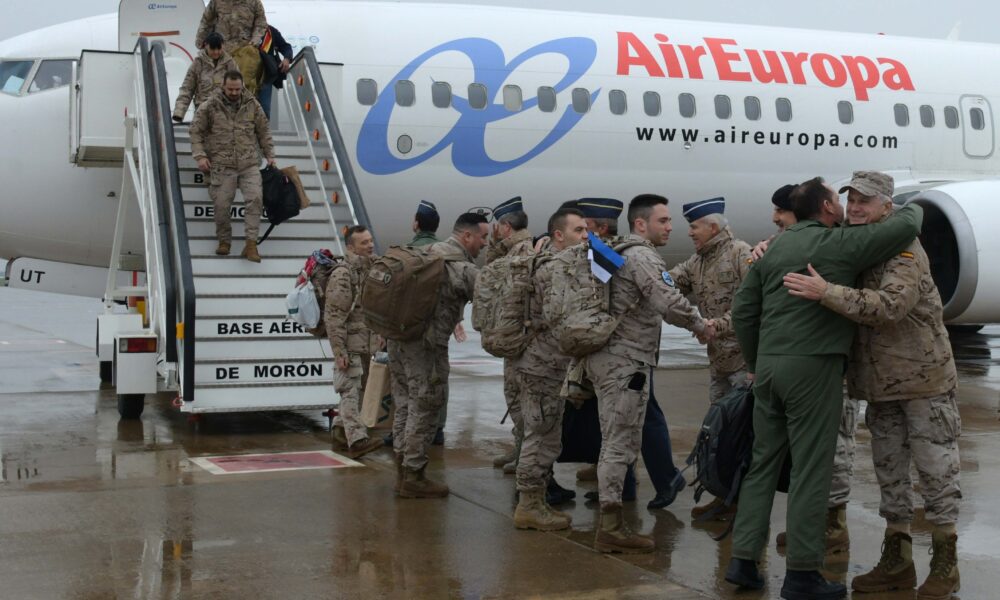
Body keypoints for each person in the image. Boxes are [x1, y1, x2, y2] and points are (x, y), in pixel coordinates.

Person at [725, 177, 923, 599]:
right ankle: (802, 574)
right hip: (812, 368)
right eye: (839, 198)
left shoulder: (775, 247)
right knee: (811, 471)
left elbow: (743, 310)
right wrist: (909, 201)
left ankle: (743, 560)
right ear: (827, 208)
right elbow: (907, 225)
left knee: (762, 464)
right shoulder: (834, 244)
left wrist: (758, 362)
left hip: (771, 369)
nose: (845, 204)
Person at [783, 172, 961, 598]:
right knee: (890, 475)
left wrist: (826, 292)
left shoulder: (903, 251)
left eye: (867, 200)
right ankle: (897, 561)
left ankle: (945, 565)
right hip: (880, 385)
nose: (857, 207)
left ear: (887, 207)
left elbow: (889, 307)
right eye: (853, 199)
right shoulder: (857, 243)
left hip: (922, 381)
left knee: (937, 473)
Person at [586, 194, 712, 553]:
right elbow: (668, 302)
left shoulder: (615, 252)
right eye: (663, 221)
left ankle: (613, 519)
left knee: (616, 440)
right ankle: (610, 527)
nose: (670, 227)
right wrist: (701, 326)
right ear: (640, 224)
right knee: (618, 445)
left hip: (609, 358)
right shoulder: (641, 255)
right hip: (626, 362)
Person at [574, 197, 690, 511]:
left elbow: (659, 298)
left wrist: (702, 325)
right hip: (618, 352)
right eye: (664, 221)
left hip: (628, 352)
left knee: (633, 421)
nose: (584, 231)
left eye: (588, 225)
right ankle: (628, 485)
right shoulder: (611, 252)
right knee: (624, 421)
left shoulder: (620, 253)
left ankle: (651, 481)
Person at [390, 212, 488, 498]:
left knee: (405, 403)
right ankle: (414, 475)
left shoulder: (425, 252)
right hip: (427, 346)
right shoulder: (461, 267)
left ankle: (401, 466)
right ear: (467, 236)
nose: (484, 244)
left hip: (399, 340)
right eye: (483, 237)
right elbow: (492, 299)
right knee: (426, 405)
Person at [668, 197, 752, 520]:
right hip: (718, 363)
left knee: (740, 436)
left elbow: (752, 307)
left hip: (743, 365)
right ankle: (724, 495)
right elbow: (670, 282)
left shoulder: (740, 255)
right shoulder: (698, 262)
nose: (689, 232)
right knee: (717, 434)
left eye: (694, 226)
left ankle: (741, 503)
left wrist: (718, 325)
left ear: (712, 227)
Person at [511, 206, 589, 530]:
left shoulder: (549, 265)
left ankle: (535, 501)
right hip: (544, 365)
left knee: (545, 435)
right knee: (540, 436)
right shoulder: (556, 269)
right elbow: (562, 320)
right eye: (579, 230)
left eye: (586, 230)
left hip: (543, 363)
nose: (586, 236)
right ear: (559, 235)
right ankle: (529, 505)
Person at [190, 70, 275, 263]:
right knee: (221, 205)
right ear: (223, 86)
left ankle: (251, 244)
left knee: (255, 199)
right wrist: (200, 156)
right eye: (231, 89)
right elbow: (195, 131)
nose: (235, 93)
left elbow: (264, 131)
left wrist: (270, 155)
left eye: (238, 89)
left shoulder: (252, 104)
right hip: (222, 164)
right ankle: (224, 241)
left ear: (242, 86)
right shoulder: (210, 106)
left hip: (249, 163)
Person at [487, 196, 536, 474]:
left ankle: (525, 456)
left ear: (505, 227)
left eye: (498, 227)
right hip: (513, 340)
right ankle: (519, 449)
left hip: (523, 343)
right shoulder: (511, 252)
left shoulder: (523, 255)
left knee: (523, 401)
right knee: (514, 397)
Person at [326, 225, 383, 459]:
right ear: (351, 247)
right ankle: (357, 440)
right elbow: (334, 315)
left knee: (358, 391)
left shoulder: (370, 268)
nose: (370, 245)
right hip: (349, 345)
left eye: (370, 241)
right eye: (364, 243)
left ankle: (340, 433)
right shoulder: (343, 273)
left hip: (365, 343)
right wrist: (339, 350)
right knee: (350, 391)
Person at [172, 32, 237, 123]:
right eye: (212, 49)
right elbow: (187, 89)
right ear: (206, 46)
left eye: (219, 49)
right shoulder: (198, 64)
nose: (216, 52)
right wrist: (179, 112)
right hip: (203, 113)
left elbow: (239, 88)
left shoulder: (230, 63)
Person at [195, 0, 267, 53]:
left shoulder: (254, 2)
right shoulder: (216, 2)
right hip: (220, 49)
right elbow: (207, 21)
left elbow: (261, 24)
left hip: (244, 51)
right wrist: (201, 41)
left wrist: (254, 42)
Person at [257, 25, 294, 120]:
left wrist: (286, 59)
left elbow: (286, 47)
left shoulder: (269, 31)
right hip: (245, 78)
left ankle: (263, 134)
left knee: (264, 111)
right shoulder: (241, 29)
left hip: (265, 78)